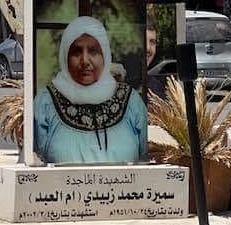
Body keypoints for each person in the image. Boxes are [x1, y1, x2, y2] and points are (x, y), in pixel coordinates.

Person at [34, 16, 147, 164]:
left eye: (93, 51)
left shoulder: (131, 101)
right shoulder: (45, 102)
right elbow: (33, 168)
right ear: (65, 56)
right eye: (76, 52)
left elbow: (148, 161)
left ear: (105, 55)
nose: (85, 61)